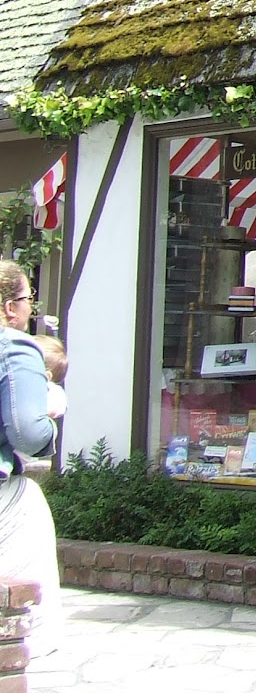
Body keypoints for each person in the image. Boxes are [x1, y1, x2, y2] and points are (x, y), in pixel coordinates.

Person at [0, 261, 63, 657]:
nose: (29, 310)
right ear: (9, 307)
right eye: (27, 299)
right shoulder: (15, 346)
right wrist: (51, 418)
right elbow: (28, 431)